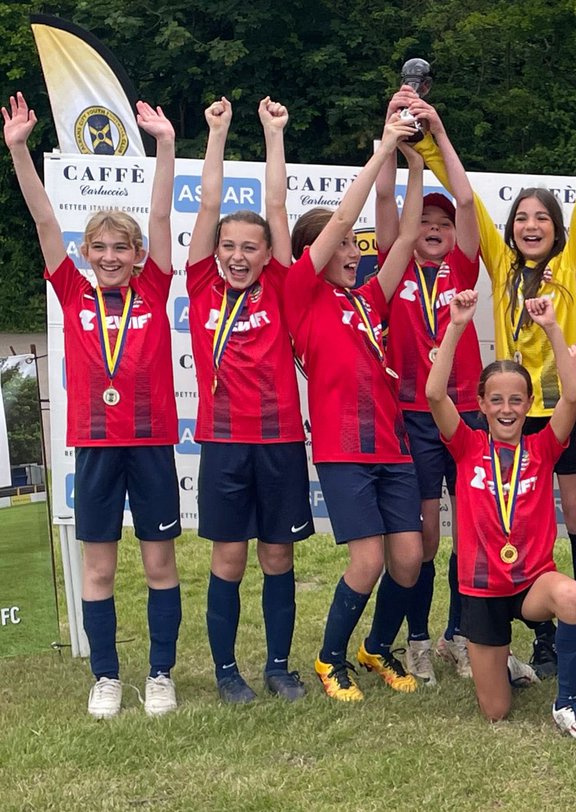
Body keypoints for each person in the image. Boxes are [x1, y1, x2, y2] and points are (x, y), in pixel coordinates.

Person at [411, 91, 576, 678]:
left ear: (557, 230)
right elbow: (467, 199)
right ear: (511, 230)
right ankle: (487, 633)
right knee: (489, 523)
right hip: (508, 416)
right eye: (522, 219)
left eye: (542, 219)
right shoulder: (501, 264)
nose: (532, 226)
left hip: (564, 413)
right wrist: (434, 137)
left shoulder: (573, 259)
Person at [5, 93, 182, 718]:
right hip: (99, 449)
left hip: (153, 445)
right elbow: (45, 220)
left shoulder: (154, 287)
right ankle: (105, 677)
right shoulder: (72, 290)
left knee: (160, 565)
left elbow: (161, 214)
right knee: (98, 571)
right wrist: (20, 150)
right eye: (99, 248)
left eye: (121, 249)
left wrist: (164, 146)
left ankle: (160, 675)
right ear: (86, 254)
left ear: (137, 257)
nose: (110, 257)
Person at [281, 110, 427, 701]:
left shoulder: (368, 297)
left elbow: (410, 238)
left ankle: (376, 647)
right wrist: (383, 149)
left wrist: (414, 167)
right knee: (367, 561)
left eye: (353, 243)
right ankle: (328, 658)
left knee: (410, 561)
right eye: (340, 243)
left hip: (391, 444)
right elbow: (345, 212)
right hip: (343, 449)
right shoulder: (300, 292)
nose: (352, 248)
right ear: (315, 251)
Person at [426, 289, 576, 743]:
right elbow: (433, 392)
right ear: (482, 405)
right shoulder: (465, 446)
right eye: (497, 400)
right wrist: (458, 326)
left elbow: (571, 396)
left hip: (530, 582)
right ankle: (501, 658)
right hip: (482, 589)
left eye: (516, 400)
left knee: (573, 598)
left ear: (527, 405)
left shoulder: (543, 448)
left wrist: (553, 329)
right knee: (496, 712)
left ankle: (567, 703)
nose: (507, 409)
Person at [186, 96, 311, 704]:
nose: (237, 255)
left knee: (278, 556)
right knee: (229, 559)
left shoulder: (283, 285)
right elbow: (208, 203)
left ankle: (280, 667)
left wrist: (273, 134)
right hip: (225, 444)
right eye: (228, 246)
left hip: (282, 440)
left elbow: (279, 205)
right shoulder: (203, 281)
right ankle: (227, 671)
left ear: (267, 255)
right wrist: (218, 133)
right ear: (217, 251)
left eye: (250, 247)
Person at [373, 92, 483, 683]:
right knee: (423, 538)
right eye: (428, 223)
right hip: (412, 416)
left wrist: (437, 131)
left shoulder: (463, 268)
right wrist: (396, 138)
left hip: (465, 415)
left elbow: (464, 197)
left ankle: (459, 635)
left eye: (443, 225)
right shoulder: (392, 266)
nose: (436, 230)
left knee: (471, 533)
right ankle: (416, 638)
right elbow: (389, 200)